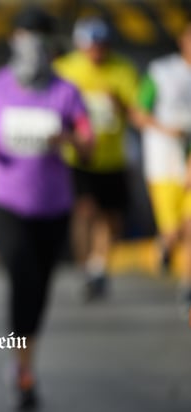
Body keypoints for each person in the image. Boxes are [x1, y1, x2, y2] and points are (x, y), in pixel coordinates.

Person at [0, 7, 93, 411]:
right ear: (14, 40)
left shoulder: (65, 90)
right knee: (22, 273)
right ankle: (24, 373)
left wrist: (72, 140)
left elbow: (86, 139)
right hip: (4, 198)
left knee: (39, 286)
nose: (32, 44)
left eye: (40, 36)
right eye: (25, 34)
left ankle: (24, 358)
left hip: (53, 202)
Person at [54, 16, 141, 301]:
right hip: (78, 157)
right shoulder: (65, 70)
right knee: (85, 211)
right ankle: (86, 268)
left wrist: (121, 105)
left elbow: (138, 110)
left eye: (101, 46)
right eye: (91, 46)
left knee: (111, 217)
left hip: (113, 156)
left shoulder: (123, 69)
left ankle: (98, 266)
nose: (97, 52)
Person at [138, 23, 191, 312]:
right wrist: (166, 129)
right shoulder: (162, 71)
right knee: (173, 232)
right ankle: (164, 246)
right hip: (164, 163)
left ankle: (187, 287)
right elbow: (139, 112)